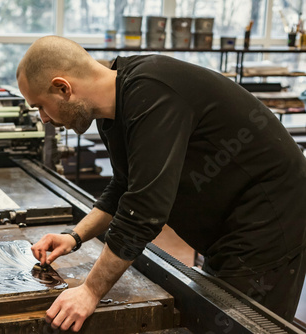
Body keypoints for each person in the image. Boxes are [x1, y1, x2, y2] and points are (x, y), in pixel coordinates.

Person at [16, 35, 306, 332]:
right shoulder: (112, 110)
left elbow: (144, 211)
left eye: (40, 106)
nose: (43, 119)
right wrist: (75, 237)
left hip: (271, 220)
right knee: (213, 312)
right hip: (229, 225)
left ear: (63, 88)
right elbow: (124, 187)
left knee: (236, 324)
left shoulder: (152, 93)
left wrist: (90, 291)